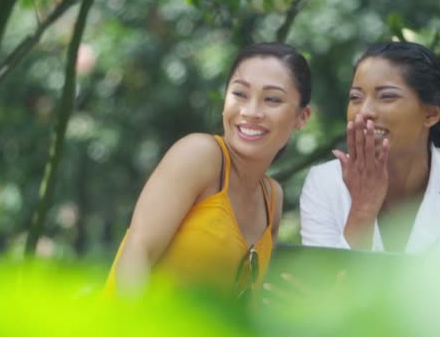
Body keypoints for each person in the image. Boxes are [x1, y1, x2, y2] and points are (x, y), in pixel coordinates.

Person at [105, 42, 312, 301]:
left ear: (302, 117)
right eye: (240, 94)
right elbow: (137, 255)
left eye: (272, 99)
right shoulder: (200, 155)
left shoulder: (273, 199)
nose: (251, 111)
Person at [300, 41, 440, 253]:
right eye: (356, 97)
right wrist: (362, 209)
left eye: (387, 96)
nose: (364, 111)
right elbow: (322, 282)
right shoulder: (324, 182)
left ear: (431, 114)